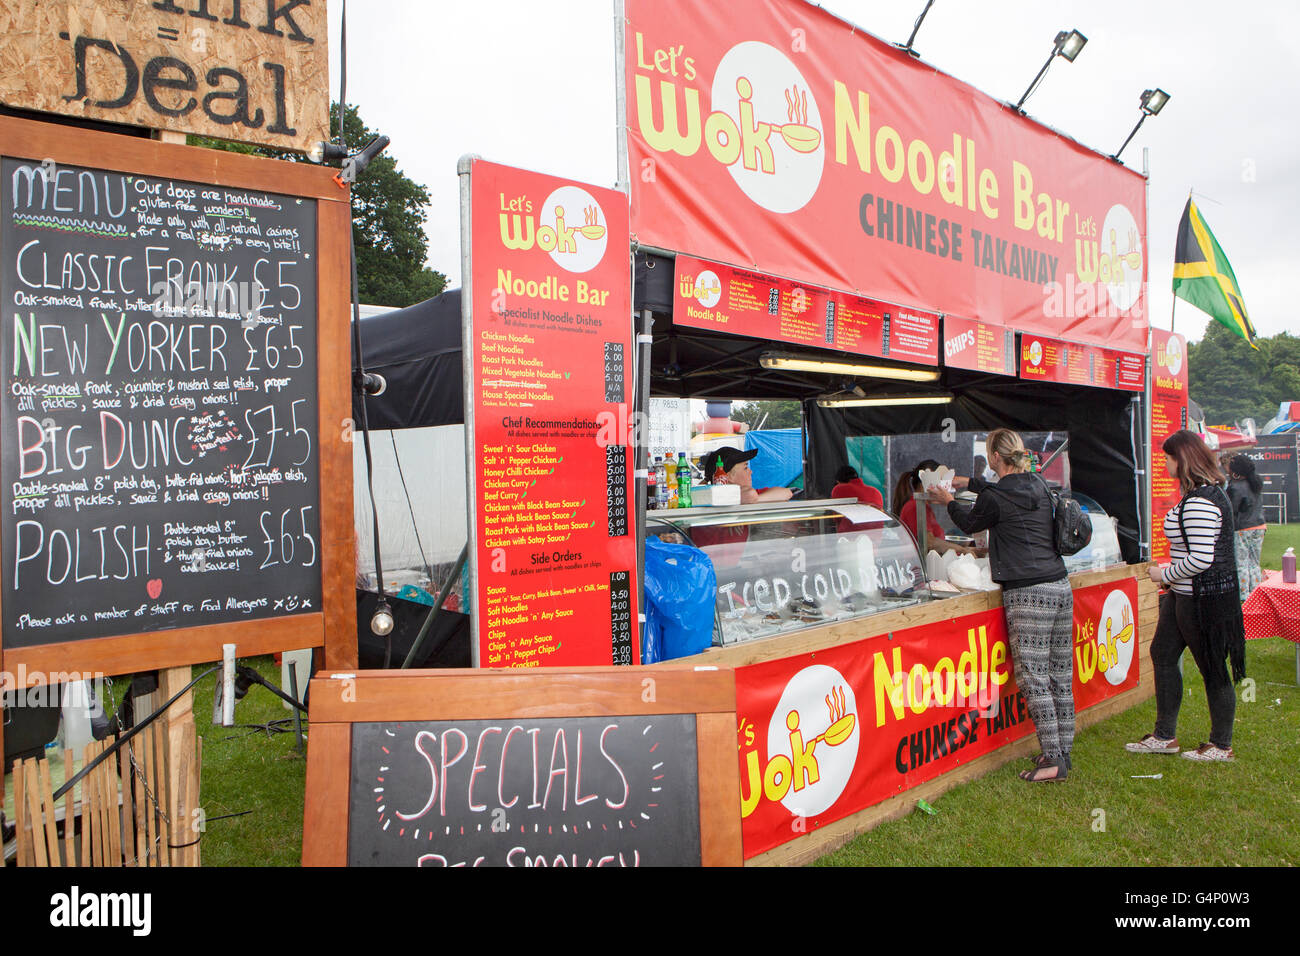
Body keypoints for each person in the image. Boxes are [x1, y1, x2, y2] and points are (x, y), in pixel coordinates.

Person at [929, 429, 1073, 781]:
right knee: (1060, 674)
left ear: (994, 456)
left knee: (1034, 678)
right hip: (1060, 583)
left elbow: (968, 521)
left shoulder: (995, 496)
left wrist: (948, 498)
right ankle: (1064, 751)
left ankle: (1052, 761)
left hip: (1028, 592)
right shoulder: (1038, 484)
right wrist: (970, 482)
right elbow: (1000, 492)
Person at [1126, 429, 1245, 762]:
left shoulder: (1201, 500)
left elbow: (1201, 559)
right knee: (1163, 655)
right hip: (1183, 595)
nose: (1164, 463)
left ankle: (1221, 745)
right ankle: (1165, 736)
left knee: (1212, 668)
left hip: (1200, 599)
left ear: (1183, 460)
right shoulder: (1204, 496)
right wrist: (1172, 577)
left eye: (1167, 457)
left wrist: (1163, 574)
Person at [893, 460, 975, 555]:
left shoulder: (923, 507)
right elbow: (929, 542)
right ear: (925, 483)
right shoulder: (914, 507)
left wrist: (964, 547)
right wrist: (962, 550)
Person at [1226, 454, 1266, 600]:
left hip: (1243, 528)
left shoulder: (1235, 487)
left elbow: (1232, 510)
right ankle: (1255, 592)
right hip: (1259, 526)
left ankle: (1243, 594)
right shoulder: (1255, 484)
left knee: (1241, 563)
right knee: (1254, 563)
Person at [708, 447, 793, 504]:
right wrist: (750, 498)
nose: (751, 472)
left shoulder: (756, 494)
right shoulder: (712, 500)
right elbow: (750, 494)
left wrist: (755, 499)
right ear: (728, 477)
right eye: (745, 468)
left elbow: (787, 493)